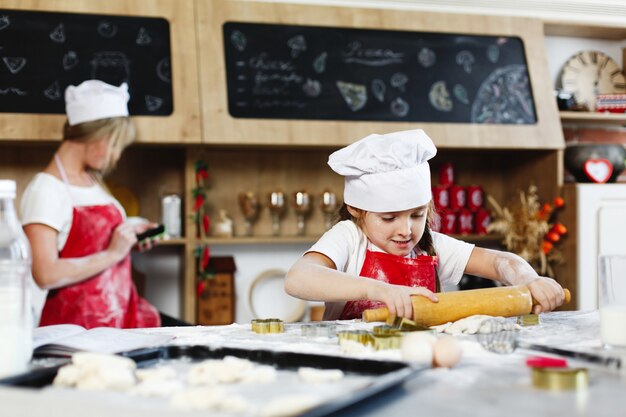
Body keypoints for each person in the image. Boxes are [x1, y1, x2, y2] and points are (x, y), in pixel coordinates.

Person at [285, 129, 566, 321]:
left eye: (417, 215)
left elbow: (499, 262)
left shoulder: (429, 245)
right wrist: (378, 290)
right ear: (357, 209)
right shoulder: (349, 237)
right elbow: (298, 277)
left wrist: (529, 279)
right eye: (389, 218)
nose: (406, 230)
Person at [20, 80, 161, 329]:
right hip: (73, 334)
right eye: (116, 145)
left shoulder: (92, 181)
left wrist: (130, 235)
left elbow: (95, 242)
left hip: (116, 324)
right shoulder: (46, 189)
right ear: (99, 138)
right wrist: (113, 253)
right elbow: (44, 273)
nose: (116, 156)